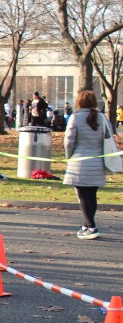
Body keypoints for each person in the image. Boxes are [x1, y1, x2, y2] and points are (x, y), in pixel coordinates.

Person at [64, 90, 109, 240]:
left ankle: (92, 227)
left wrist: (68, 156)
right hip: (97, 161)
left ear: (79, 102)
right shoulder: (101, 117)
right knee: (91, 195)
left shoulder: (75, 117)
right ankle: (85, 226)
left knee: (82, 194)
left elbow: (69, 140)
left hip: (80, 160)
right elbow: (108, 137)